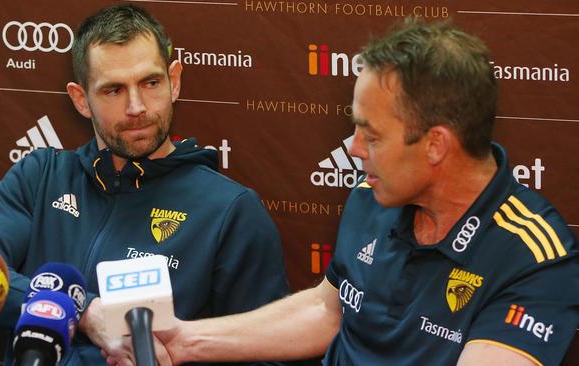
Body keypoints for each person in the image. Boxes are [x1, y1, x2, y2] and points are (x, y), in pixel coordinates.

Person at [152, 19, 579, 366]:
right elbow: (328, 310)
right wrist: (186, 341)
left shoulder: (536, 261)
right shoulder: (370, 195)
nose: (353, 150)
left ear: (436, 145)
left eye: (371, 136)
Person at [0, 4, 288, 365]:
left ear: (175, 80)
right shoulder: (40, 177)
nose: (137, 106)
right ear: (81, 99)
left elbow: (267, 354)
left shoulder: (230, 210)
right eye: (114, 90)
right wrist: (85, 312)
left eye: (150, 83)